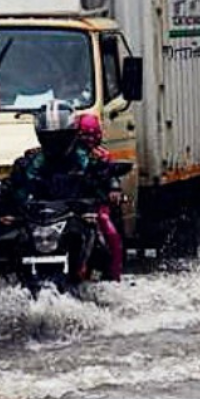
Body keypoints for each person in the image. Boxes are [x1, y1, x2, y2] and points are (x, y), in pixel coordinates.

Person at [6, 102, 115, 278]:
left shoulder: (88, 159)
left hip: (76, 217)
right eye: (49, 137)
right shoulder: (29, 162)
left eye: (60, 137)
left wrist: (111, 190)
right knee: (12, 244)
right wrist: (6, 202)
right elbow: (16, 187)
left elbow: (104, 178)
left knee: (104, 246)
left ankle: (109, 280)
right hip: (39, 220)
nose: (55, 143)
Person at [74, 113, 124, 281]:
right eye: (84, 135)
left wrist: (114, 188)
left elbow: (111, 174)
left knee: (111, 233)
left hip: (94, 205)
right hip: (67, 204)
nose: (88, 140)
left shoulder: (102, 155)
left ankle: (114, 276)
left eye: (92, 135)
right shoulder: (63, 153)